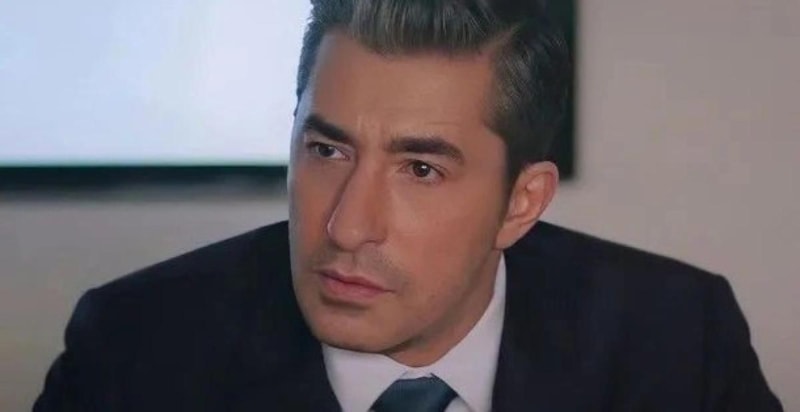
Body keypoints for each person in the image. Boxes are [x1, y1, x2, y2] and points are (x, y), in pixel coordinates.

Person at [34, 1, 783, 411]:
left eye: (421, 169)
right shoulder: (133, 351)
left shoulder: (677, 340)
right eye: (326, 151)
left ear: (521, 204)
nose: (347, 226)